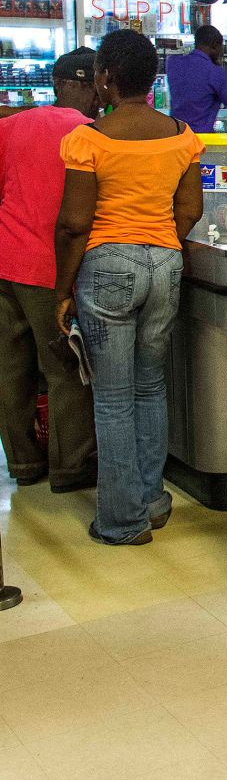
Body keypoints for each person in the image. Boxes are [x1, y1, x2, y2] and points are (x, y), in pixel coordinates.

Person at [53, 31, 204, 545]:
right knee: (150, 386)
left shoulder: (88, 139)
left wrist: (62, 290)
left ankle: (122, 520)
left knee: (113, 398)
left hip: (106, 266)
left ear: (104, 78)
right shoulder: (184, 136)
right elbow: (190, 210)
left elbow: (75, 223)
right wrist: (160, 244)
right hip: (166, 263)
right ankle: (153, 500)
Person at [0, 48, 99, 492]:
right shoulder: (91, 134)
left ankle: (23, 464)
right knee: (64, 370)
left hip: (5, 264)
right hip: (49, 270)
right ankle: (70, 468)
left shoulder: (10, 127)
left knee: (11, 367)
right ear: (84, 84)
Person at [166, 24, 227, 132]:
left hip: (175, 136)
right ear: (214, 45)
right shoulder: (217, 73)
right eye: (221, 47)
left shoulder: (173, 63)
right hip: (201, 139)